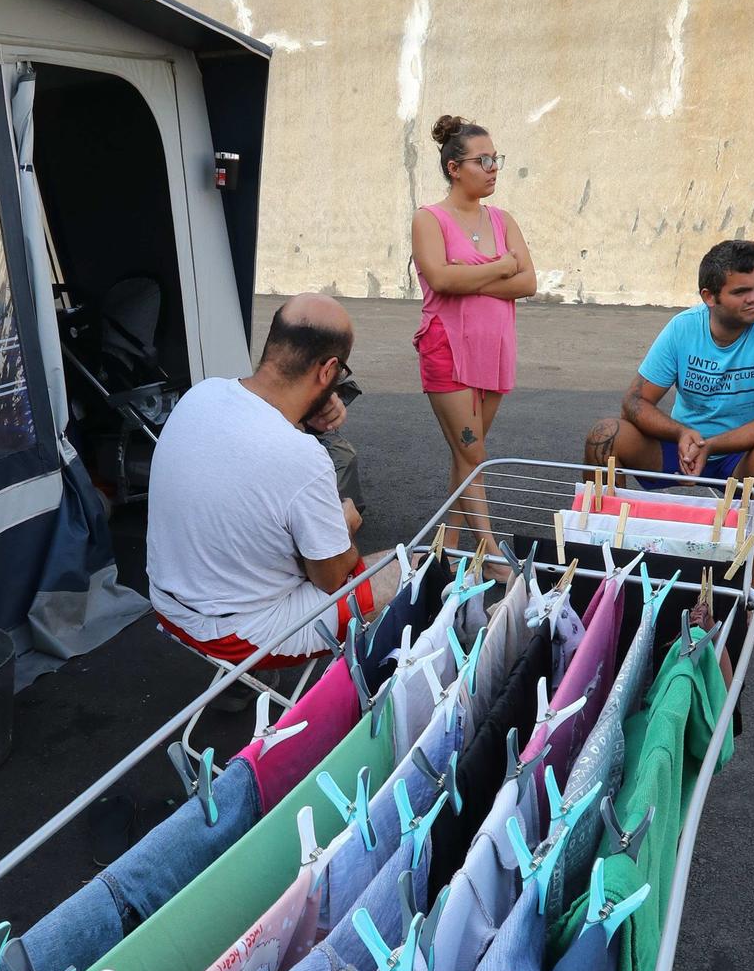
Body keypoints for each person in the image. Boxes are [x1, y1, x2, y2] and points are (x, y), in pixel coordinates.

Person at [147, 295, 396, 661]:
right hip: (237, 634)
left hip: (169, 604)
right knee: (414, 566)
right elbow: (329, 578)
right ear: (327, 371)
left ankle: (234, 688)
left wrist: (306, 416)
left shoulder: (202, 393)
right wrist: (344, 527)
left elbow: (255, 447)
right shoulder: (304, 458)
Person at [584, 239, 754, 593]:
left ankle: (751, 579)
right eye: (741, 291)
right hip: (684, 448)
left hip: (739, 459)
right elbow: (633, 401)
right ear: (710, 296)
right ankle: (604, 560)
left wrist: (712, 443)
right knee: (605, 435)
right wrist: (681, 434)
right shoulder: (683, 327)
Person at [411, 114, 536, 560]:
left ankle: (446, 553)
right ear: (453, 168)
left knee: (466, 458)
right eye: (483, 160)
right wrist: (501, 266)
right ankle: (492, 558)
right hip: (447, 348)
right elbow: (442, 280)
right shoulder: (430, 219)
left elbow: (528, 283)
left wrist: (473, 275)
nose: (493, 168)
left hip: (493, 350)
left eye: (495, 159)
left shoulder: (503, 220)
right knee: (474, 454)